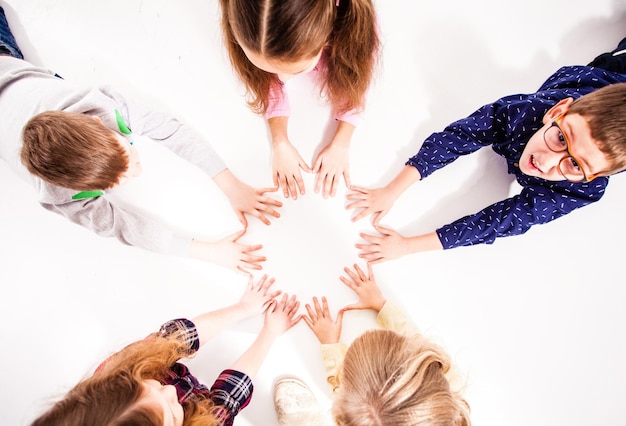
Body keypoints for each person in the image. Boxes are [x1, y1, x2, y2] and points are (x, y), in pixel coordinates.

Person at [0, 7, 283, 274]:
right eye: (114, 183)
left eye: (129, 157)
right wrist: (209, 252)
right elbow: (124, 227)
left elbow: (172, 131)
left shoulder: (102, 105)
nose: (138, 171)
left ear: (98, 123)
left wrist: (230, 185)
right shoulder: (59, 196)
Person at [346, 38, 626, 263]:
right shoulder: (525, 112)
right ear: (557, 111)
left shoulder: (580, 190)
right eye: (561, 139)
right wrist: (392, 190)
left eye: (575, 165)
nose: (546, 161)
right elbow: (460, 135)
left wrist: (408, 246)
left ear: (594, 177)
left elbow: (499, 222)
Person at [31, 275, 302, 426]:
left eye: (147, 386)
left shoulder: (119, 367)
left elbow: (177, 339)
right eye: (172, 415)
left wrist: (242, 308)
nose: (171, 391)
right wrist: (269, 333)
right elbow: (227, 397)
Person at [218, 0, 380, 199]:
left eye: (296, 70)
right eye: (265, 67)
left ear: (329, 32)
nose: (282, 79)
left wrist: (341, 142)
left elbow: (358, 79)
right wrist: (279, 140)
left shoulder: (355, 23)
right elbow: (268, 81)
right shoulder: (248, 18)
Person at [273, 264, 470, 426]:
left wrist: (331, 346)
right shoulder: (449, 384)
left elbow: (341, 391)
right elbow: (414, 344)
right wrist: (381, 305)